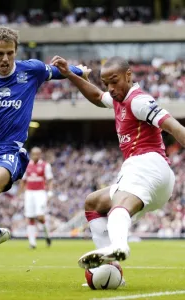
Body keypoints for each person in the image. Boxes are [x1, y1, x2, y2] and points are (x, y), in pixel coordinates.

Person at [0, 26, 89, 263]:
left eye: (10, 53)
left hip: (11, 150)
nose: (5, 59)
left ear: (16, 51)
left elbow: (58, 71)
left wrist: (79, 71)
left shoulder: (31, 70)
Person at [52, 55, 185, 269]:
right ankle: (110, 270)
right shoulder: (118, 99)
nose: (111, 88)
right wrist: (70, 75)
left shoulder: (139, 101)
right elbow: (96, 96)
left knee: (119, 203)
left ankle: (119, 246)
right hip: (155, 180)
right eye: (107, 83)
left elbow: (174, 127)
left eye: (114, 81)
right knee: (93, 203)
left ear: (128, 75)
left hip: (148, 164)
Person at [20, 147, 53, 249]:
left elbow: (50, 179)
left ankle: (47, 235)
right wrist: (20, 194)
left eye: (37, 154)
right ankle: (32, 243)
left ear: (40, 154)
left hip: (40, 192)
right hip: (29, 193)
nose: (36, 156)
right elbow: (23, 180)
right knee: (30, 217)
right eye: (34, 154)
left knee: (40, 217)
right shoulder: (27, 165)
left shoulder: (45, 165)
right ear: (31, 154)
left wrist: (50, 192)